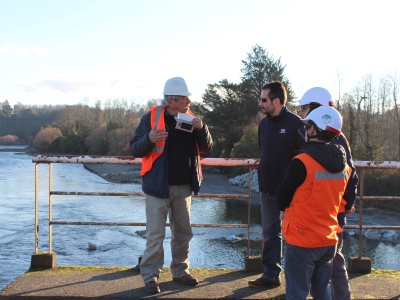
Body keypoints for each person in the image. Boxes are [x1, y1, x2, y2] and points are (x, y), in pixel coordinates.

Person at [130, 77, 213, 294]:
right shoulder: (150, 118)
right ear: (172, 100)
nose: (189, 102)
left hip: (183, 187)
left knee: (183, 233)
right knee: (155, 235)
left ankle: (180, 272)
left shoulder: (192, 119)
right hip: (157, 188)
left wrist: (202, 128)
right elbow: (135, 149)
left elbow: (207, 148)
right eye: (185, 98)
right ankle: (150, 277)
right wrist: (149, 138)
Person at [276, 105, 355, 299]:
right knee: (322, 292)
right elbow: (345, 197)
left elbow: (281, 199)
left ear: (312, 129)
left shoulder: (302, 162)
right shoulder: (344, 167)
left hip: (302, 238)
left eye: (307, 126)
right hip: (328, 239)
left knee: (297, 293)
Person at [297, 87, 359, 300]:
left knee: (332, 264)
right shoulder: (334, 136)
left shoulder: (329, 137)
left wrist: (347, 203)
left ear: (316, 109)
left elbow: (351, 175)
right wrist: (349, 201)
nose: (302, 113)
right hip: (330, 212)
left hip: (329, 213)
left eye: (305, 108)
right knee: (330, 263)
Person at [248, 81, 304, 288]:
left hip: (291, 191)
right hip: (267, 189)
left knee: (296, 233)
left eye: (264, 100)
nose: (260, 104)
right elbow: (264, 152)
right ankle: (271, 276)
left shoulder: (296, 124)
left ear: (276, 101)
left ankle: (297, 282)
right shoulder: (263, 125)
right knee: (271, 233)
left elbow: (305, 156)